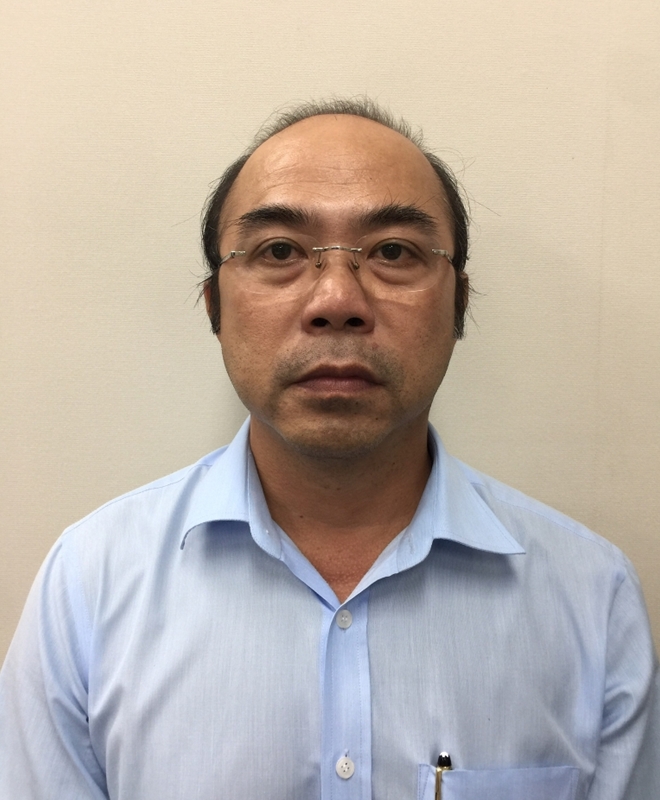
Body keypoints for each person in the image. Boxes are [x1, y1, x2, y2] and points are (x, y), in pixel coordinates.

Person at [0, 99, 658, 800]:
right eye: (279, 251)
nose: (338, 300)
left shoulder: (591, 599)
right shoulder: (90, 583)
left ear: (459, 304)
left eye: (394, 252)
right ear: (214, 304)